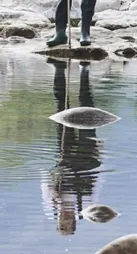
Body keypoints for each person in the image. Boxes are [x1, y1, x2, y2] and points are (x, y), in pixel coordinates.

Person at [41, 60, 103, 235]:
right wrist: (101, 157)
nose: (65, 218)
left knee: (63, 111)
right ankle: (79, 73)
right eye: (68, 222)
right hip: (88, 160)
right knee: (86, 117)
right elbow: (96, 184)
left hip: (65, 159)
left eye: (63, 222)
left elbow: (45, 180)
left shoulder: (51, 207)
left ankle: (74, 73)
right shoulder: (86, 207)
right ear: (74, 221)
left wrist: (54, 192)